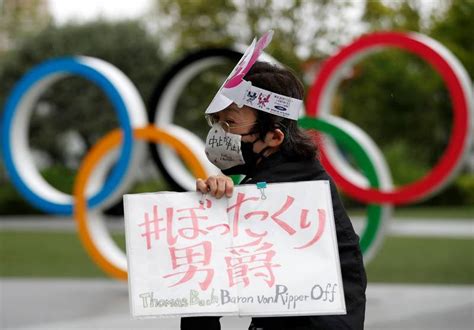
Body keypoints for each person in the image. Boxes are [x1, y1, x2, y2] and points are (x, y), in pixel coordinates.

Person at [181, 60, 367, 330]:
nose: (219, 133)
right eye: (217, 122)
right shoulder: (291, 178)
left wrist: (216, 213)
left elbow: (211, 274)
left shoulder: (285, 192)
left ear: (274, 137)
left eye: (230, 122)